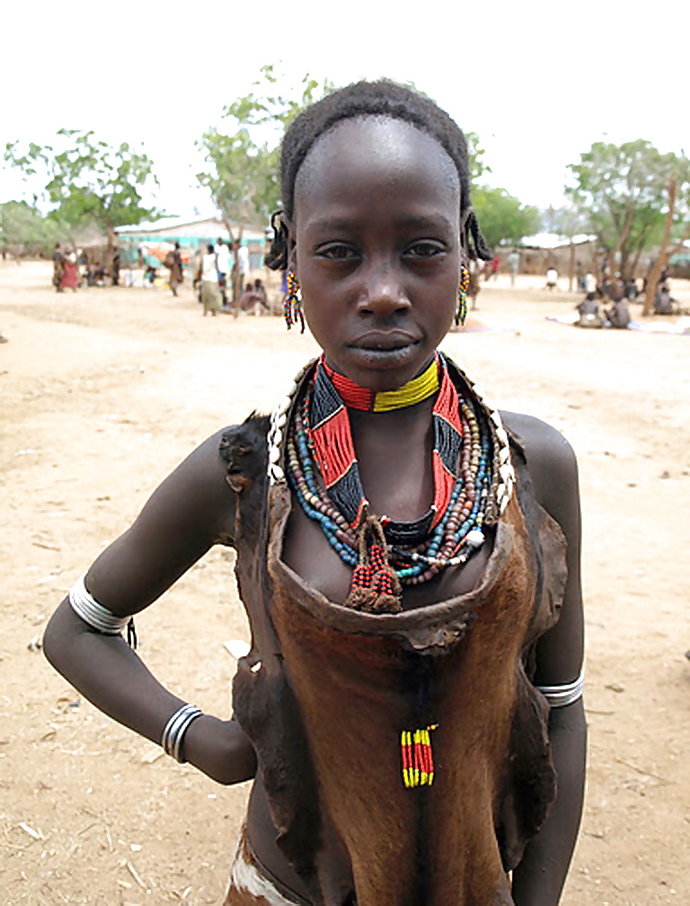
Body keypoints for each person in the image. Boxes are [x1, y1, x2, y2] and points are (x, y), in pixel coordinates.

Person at [43, 80, 585, 906]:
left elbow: (562, 708)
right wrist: (200, 739)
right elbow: (79, 630)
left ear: (468, 250)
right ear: (287, 256)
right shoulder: (247, 471)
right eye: (339, 252)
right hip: (286, 888)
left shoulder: (530, 463)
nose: (382, 290)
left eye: (421, 249)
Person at [200, 242, 222, 316]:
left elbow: (201, 267)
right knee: (212, 295)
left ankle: (209, 311)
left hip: (207, 278)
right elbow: (217, 267)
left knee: (207, 296)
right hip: (212, 278)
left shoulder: (207, 257)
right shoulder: (213, 257)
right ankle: (211, 311)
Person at [215, 238, 231, 307]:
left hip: (222, 269)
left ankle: (223, 300)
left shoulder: (224, 248)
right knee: (220, 286)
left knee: (222, 285)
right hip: (219, 269)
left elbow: (227, 257)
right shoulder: (217, 247)